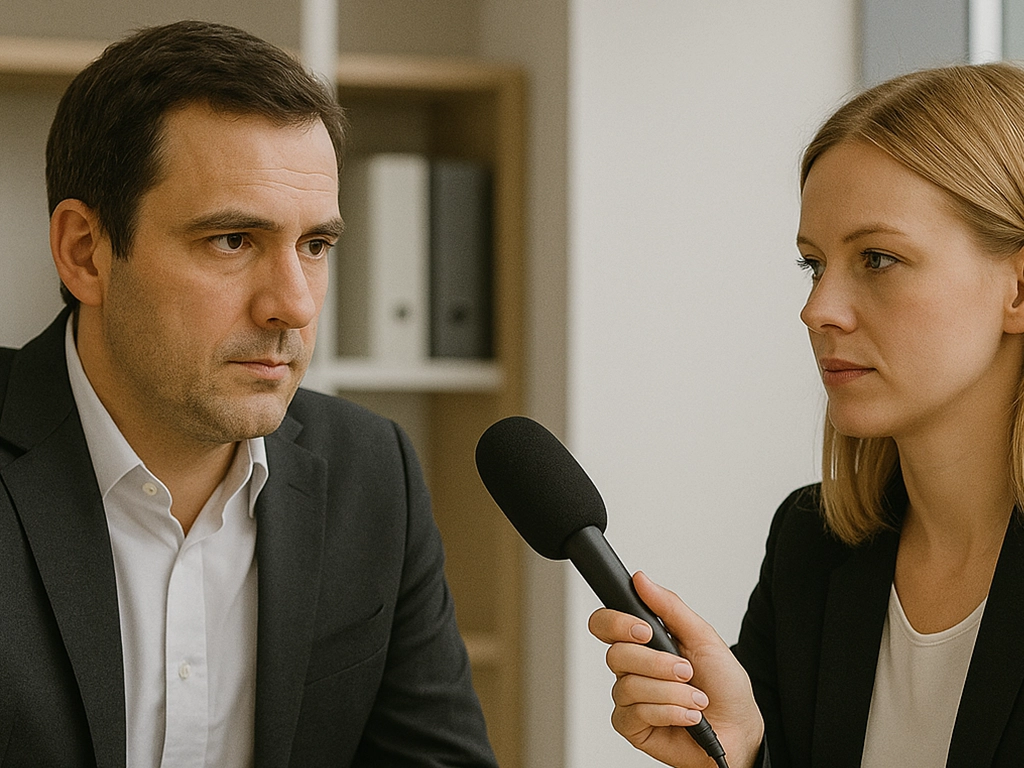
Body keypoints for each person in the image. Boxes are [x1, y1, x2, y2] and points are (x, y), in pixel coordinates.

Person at [0, 20, 497, 768]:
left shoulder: (372, 473)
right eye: (232, 241)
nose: (293, 305)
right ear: (85, 252)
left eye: (316, 246)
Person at [589, 62, 1024, 768]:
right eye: (813, 265)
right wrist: (741, 750)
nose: (817, 310)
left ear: (1019, 289)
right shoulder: (812, 547)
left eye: (877, 259)